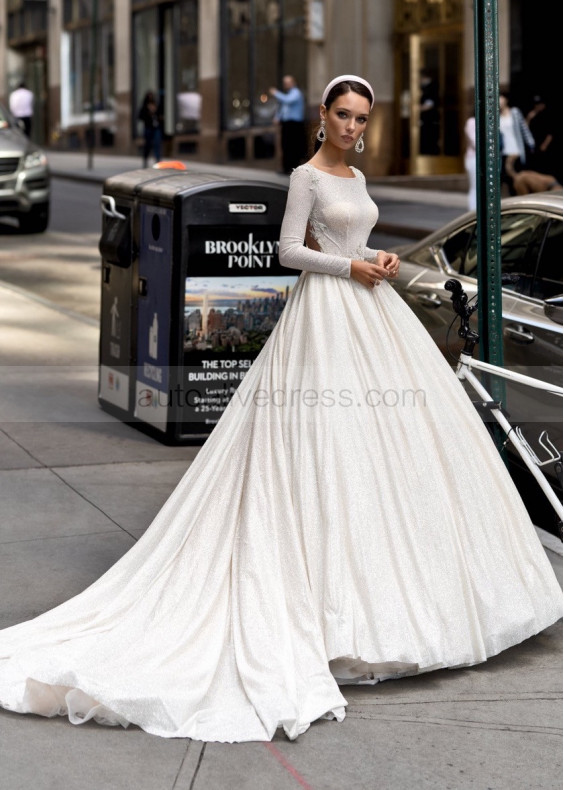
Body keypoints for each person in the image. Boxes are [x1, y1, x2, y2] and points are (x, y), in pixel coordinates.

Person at [0, 75, 561, 744]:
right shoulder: (306, 176)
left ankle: (403, 604)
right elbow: (286, 251)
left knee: (396, 452)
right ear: (323, 115)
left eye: (362, 118)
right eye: (344, 115)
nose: (353, 126)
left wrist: (374, 258)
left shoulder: (353, 175)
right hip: (326, 313)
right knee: (321, 449)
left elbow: (350, 241)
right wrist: (349, 269)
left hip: (371, 312)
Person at [269, 75, 306, 174]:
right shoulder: (288, 94)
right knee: (285, 146)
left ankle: (293, 168)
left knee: (293, 147)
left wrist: (276, 93)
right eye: (285, 82)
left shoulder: (296, 93)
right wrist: (277, 117)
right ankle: (286, 168)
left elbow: (287, 100)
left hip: (295, 125)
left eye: (288, 82)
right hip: (287, 124)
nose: (286, 84)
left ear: (293, 83)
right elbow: (283, 108)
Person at [499, 92, 535, 194]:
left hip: (516, 151)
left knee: (517, 181)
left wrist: (530, 142)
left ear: (506, 100)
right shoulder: (496, 115)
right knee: (504, 180)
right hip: (504, 153)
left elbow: (523, 128)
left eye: (500, 99)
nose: (498, 102)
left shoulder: (514, 112)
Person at [138, 90, 163, 167]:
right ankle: (145, 160)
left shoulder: (156, 106)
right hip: (148, 128)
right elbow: (140, 116)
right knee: (148, 145)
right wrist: (149, 112)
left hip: (156, 128)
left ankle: (158, 160)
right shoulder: (144, 107)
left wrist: (156, 112)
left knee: (157, 144)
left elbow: (161, 115)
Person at [419, 69, 440, 155]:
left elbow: (429, 104)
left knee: (429, 142)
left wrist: (417, 108)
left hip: (430, 121)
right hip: (428, 121)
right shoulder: (426, 87)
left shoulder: (432, 87)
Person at [464, 114, 476, 210]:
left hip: (486, 159)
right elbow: (475, 142)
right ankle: (473, 213)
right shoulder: (472, 122)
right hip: (474, 158)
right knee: (475, 188)